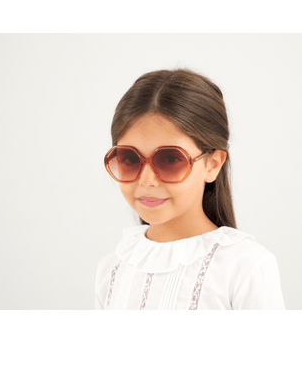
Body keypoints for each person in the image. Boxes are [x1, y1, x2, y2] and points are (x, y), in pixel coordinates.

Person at [95, 68, 285, 310]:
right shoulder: (112, 269)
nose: (146, 180)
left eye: (170, 159)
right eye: (130, 159)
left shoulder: (245, 267)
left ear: (212, 164)